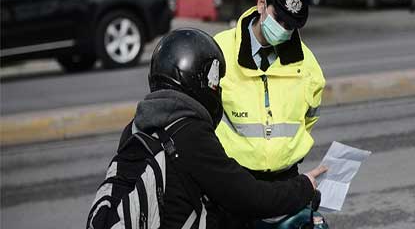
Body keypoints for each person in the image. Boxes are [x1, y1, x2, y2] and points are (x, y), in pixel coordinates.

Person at [90, 28, 326, 229]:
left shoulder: (138, 126)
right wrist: (303, 186)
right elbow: (249, 197)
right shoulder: (189, 133)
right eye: (215, 82)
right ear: (199, 80)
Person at [213, 0, 326, 227]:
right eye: (280, 19)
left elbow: (308, 120)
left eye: (291, 25)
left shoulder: (307, 65)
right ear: (262, 4)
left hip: (285, 182)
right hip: (232, 183)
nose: (284, 30)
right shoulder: (219, 51)